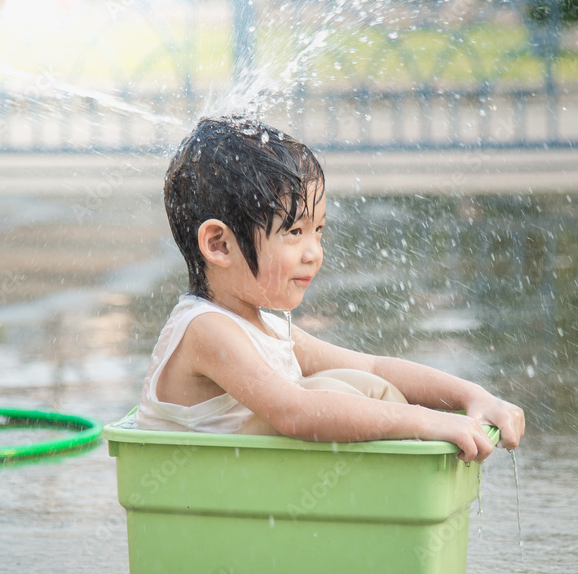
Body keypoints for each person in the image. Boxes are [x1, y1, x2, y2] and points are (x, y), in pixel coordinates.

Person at [134, 115, 523, 462]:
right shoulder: (206, 329)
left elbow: (371, 365)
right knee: (330, 394)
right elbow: (296, 412)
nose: (314, 253)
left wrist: (473, 397)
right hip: (203, 504)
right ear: (219, 245)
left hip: (247, 497)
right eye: (294, 232)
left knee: (360, 383)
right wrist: (427, 423)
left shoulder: (263, 326)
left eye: (318, 230)